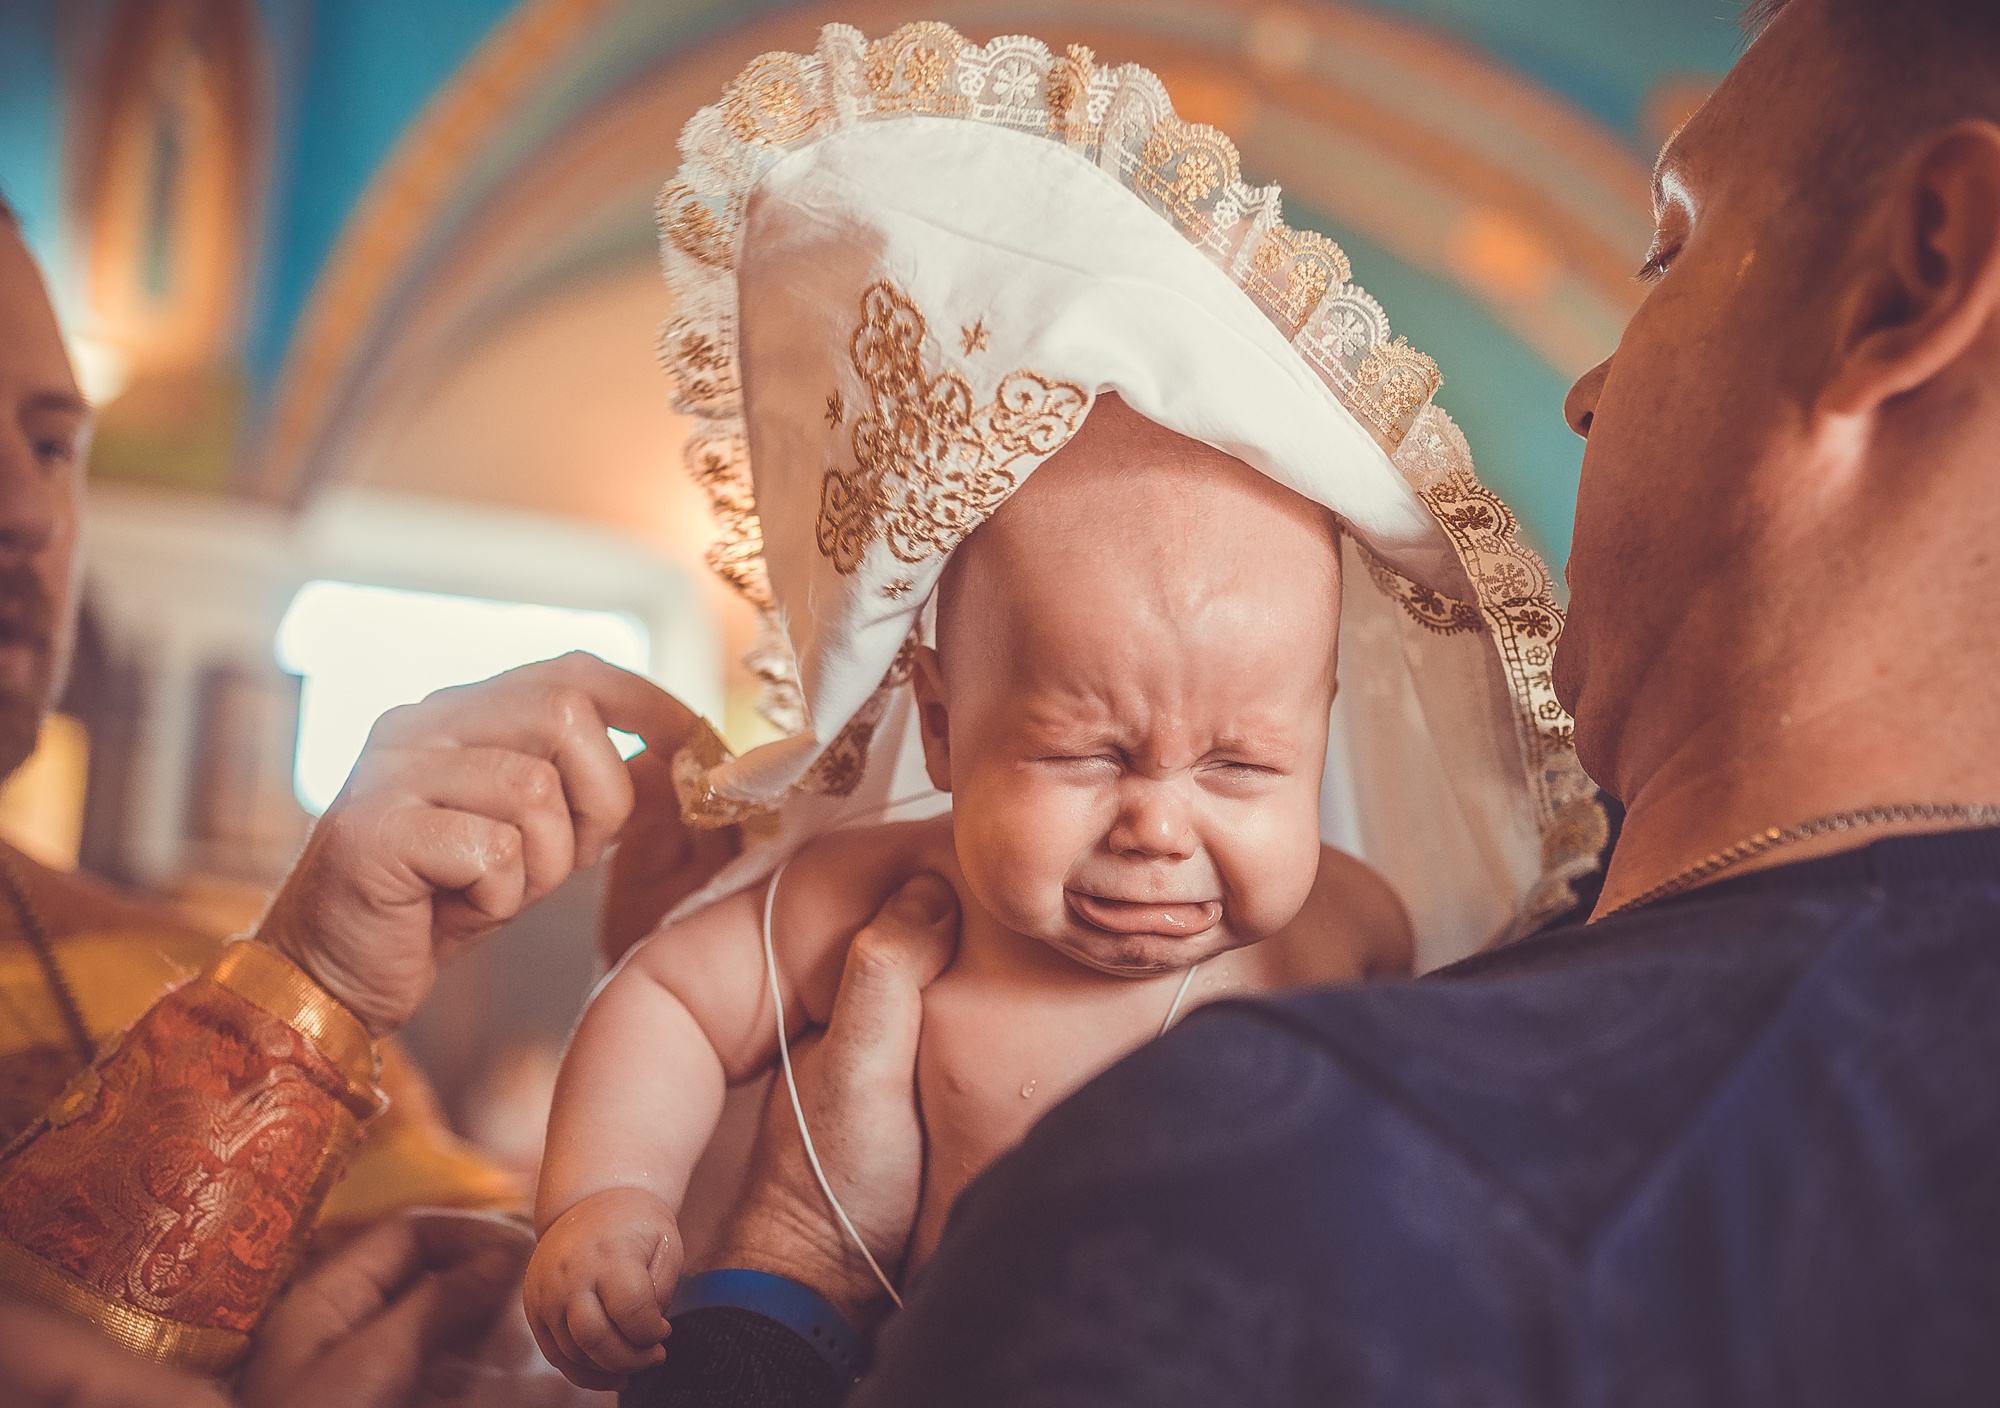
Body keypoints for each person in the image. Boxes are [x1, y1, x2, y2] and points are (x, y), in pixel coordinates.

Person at [606, 0, 2000, 1402]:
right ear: (944, 713)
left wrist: (783, 1273)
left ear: (1918, 274)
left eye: (1669, 251)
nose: (1586, 393)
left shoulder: (1268, 1176)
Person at [530, 27, 1604, 1392]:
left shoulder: (1352, 932)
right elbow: (668, 1000)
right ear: (937, 717)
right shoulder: (877, 896)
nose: (1159, 825)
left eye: (1243, 764)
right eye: (1086, 752)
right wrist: (607, 1193)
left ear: (1322, 728)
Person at [0, 188, 708, 1402]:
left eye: (53, 447)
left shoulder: (165, 965)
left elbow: (519, 1309)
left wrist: (697, 1017)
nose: (24, 515)